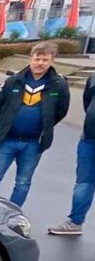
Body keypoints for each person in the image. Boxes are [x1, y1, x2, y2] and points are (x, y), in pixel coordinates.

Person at [0, 41, 70, 207]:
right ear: (31, 59)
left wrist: (43, 126)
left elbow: (61, 111)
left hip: (33, 143)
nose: (40, 63)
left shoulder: (59, 85)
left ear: (52, 61)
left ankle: (13, 215)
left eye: (45, 60)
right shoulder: (14, 81)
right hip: (7, 140)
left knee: (23, 182)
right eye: (37, 59)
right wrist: (7, 123)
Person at [49, 72, 95, 235]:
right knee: (84, 183)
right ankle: (75, 222)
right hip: (89, 140)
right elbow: (87, 103)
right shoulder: (93, 78)